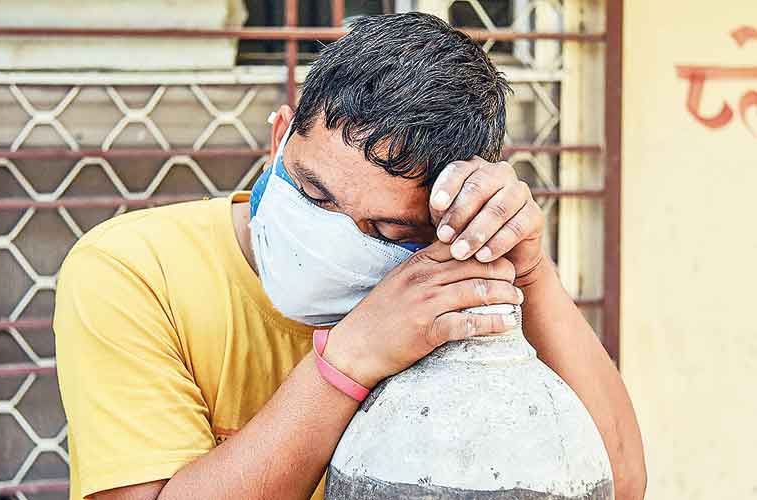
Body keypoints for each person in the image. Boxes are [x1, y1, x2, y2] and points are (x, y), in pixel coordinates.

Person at [53, 12, 646, 500]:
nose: (331, 237)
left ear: (440, 223)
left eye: (385, 228)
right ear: (279, 136)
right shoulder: (132, 270)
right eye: (313, 193)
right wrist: (350, 358)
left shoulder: (438, 293)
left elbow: (616, 484)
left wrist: (528, 273)